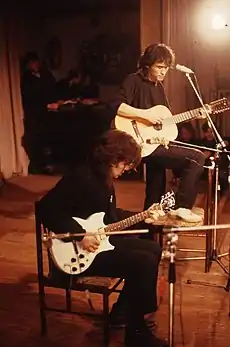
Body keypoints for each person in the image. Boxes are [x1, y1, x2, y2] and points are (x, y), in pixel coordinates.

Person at [37, 129, 168, 347]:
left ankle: (122, 314)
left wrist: (145, 216)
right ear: (113, 158)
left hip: (98, 242)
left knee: (152, 249)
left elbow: (111, 217)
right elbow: (46, 209)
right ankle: (137, 332)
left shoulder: (104, 179)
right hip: (76, 252)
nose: (126, 170)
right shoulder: (81, 177)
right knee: (142, 263)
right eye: (125, 164)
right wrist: (79, 236)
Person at [116, 43, 205, 223]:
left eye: (166, 68)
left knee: (155, 190)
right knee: (197, 158)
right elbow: (117, 107)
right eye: (160, 67)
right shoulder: (133, 80)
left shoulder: (159, 88)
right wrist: (145, 114)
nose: (163, 72)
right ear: (148, 64)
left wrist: (197, 114)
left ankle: (150, 240)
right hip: (135, 142)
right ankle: (182, 206)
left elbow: (165, 121)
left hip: (153, 143)